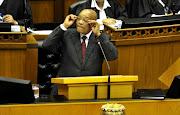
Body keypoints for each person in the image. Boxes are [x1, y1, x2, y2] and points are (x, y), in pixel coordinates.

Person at [42, 9, 118, 94]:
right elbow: (46, 45)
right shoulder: (67, 35)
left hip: (91, 89)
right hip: (64, 87)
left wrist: (98, 35)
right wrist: (64, 26)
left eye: (85, 20)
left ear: (93, 22)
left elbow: (113, 56)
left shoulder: (101, 38)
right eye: (78, 19)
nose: (80, 22)